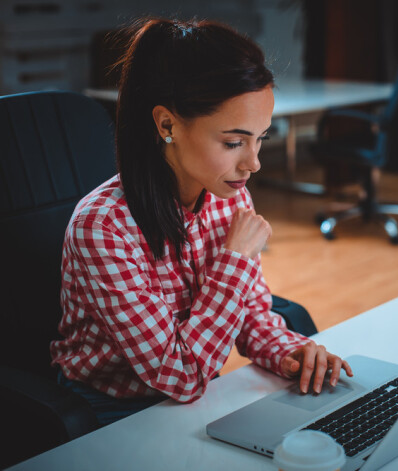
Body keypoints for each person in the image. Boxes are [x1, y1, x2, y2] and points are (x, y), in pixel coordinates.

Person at [50, 17, 352, 426]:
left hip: (193, 399)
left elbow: (247, 312)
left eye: (260, 138)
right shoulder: (102, 227)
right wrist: (235, 259)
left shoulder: (227, 193)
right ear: (167, 125)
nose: (254, 163)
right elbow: (181, 376)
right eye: (233, 142)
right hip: (109, 410)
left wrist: (287, 350)